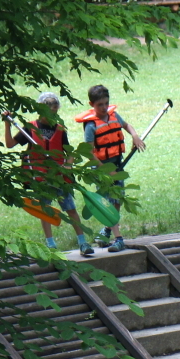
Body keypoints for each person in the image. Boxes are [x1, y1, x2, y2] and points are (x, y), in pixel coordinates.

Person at [4, 92, 92, 255]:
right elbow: (9, 144)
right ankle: (50, 245)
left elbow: (69, 152)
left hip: (59, 178)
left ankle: (83, 242)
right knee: (45, 210)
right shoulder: (30, 128)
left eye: (55, 110)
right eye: (48, 110)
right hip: (41, 178)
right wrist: (7, 125)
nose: (52, 114)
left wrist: (68, 165)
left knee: (71, 209)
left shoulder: (60, 129)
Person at [76, 84, 144, 253]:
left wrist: (135, 136)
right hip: (102, 169)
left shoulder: (113, 116)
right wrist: (107, 171)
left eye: (106, 103)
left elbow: (127, 126)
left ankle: (107, 231)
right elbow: (89, 152)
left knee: (117, 199)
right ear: (92, 104)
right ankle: (118, 239)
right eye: (100, 105)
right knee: (108, 201)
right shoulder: (91, 126)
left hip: (117, 164)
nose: (104, 107)